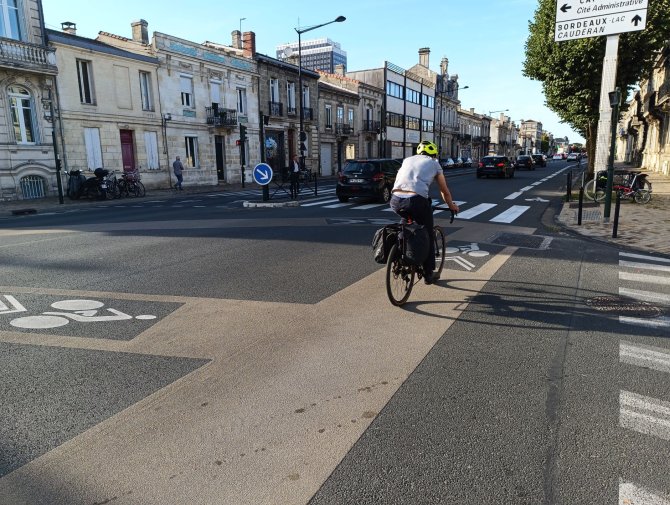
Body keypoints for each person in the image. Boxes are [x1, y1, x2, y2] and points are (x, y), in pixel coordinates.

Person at [390, 140, 460, 284]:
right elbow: (444, 191)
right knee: (427, 234)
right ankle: (428, 274)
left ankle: (400, 258)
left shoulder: (407, 160)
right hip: (416, 201)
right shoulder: (434, 163)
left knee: (405, 227)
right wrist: (451, 205)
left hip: (396, 200)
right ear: (433, 154)